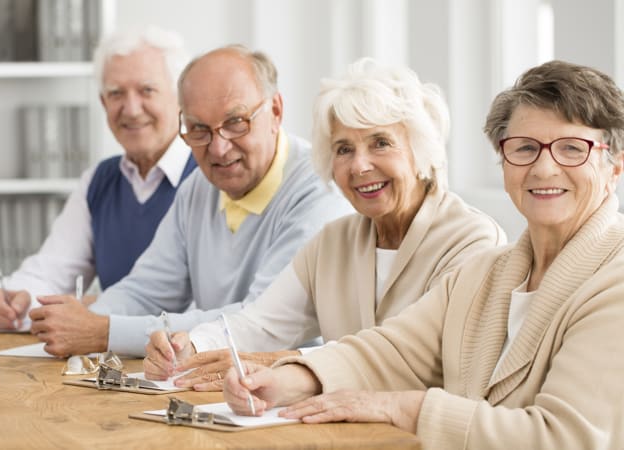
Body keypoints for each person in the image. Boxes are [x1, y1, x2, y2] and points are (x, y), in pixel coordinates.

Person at [223, 60, 624, 450]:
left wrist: (403, 407)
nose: (544, 168)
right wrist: (286, 380)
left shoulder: (615, 280)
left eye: (573, 148)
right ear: (504, 161)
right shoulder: (484, 274)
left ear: (615, 164)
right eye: (525, 148)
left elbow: (563, 438)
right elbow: (390, 352)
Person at [144, 58, 506, 388]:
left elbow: (414, 356)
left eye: (380, 143)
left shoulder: (473, 241)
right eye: (344, 148)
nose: (359, 165)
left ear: (421, 149)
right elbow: (260, 324)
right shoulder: (333, 242)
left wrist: (289, 363)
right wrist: (190, 346)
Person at [27, 45, 352, 357]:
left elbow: (258, 323)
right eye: (198, 129)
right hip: (213, 385)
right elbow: (147, 290)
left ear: (276, 111)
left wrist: (102, 332)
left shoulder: (321, 191)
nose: (219, 149)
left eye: (236, 122)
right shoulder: (198, 187)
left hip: (290, 398)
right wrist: (84, 322)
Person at [0, 26, 196, 330]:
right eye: (116, 94)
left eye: (147, 90)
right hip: (109, 359)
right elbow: (52, 269)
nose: (132, 110)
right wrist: (15, 299)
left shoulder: (210, 177)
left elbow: (210, 304)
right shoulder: (99, 181)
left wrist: (92, 311)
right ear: (102, 102)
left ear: (180, 99)